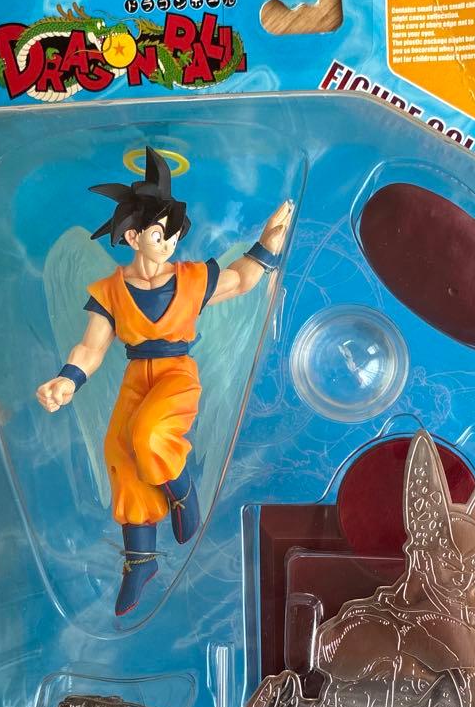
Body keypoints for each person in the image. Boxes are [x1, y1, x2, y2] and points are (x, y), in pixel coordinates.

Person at [36, 146, 293, 615]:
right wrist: (68, 380)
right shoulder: (111, 291)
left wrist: (267, 244)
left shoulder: (191, 280)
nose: (170, 243)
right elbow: (92, 347)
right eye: (160, 234)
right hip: (136, 375)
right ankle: (141, 560)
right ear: (134, 237)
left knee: (150, 435)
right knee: (120, 453)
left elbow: (239, 281)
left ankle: (182, 491)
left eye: (174, 234)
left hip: (176, 373)